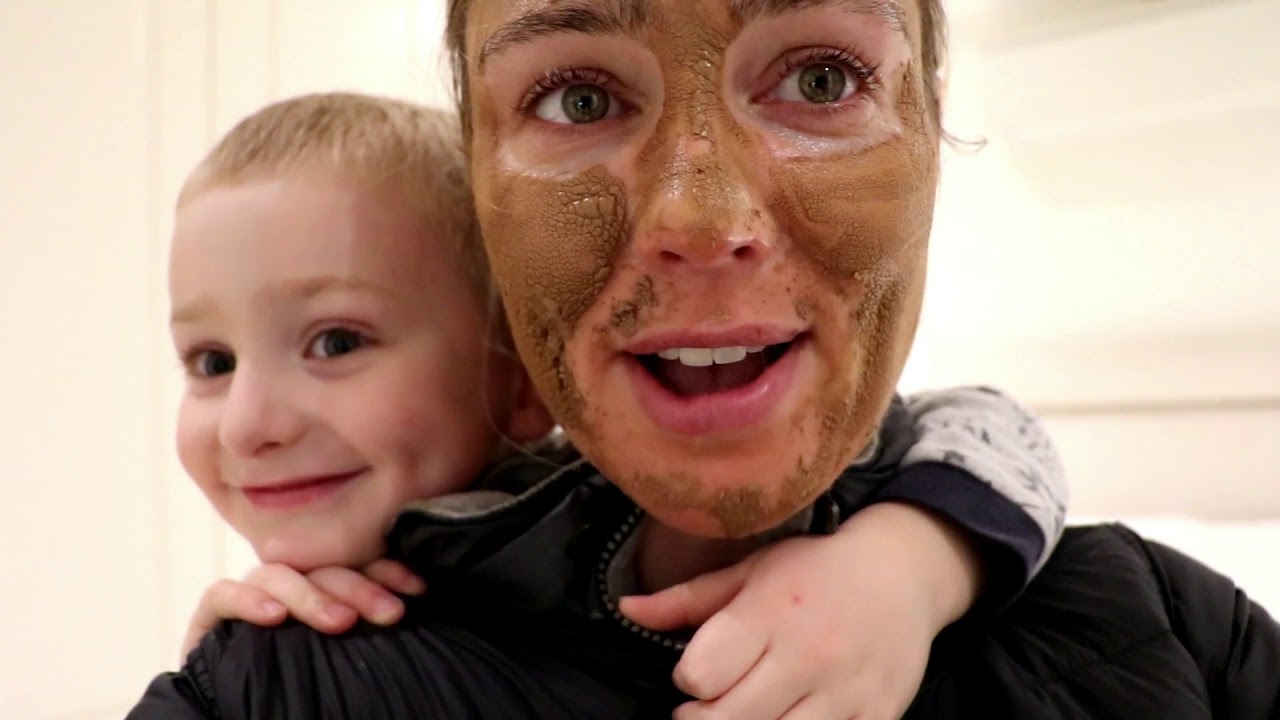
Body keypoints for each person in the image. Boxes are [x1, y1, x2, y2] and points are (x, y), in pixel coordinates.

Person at [135, 0, 1280, 717]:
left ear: (931, 132)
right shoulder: (271, 683)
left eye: (820, 78)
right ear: (482, 200)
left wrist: (912, 565)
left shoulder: (1163, 626)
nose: (700, 215)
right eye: (576, 96)